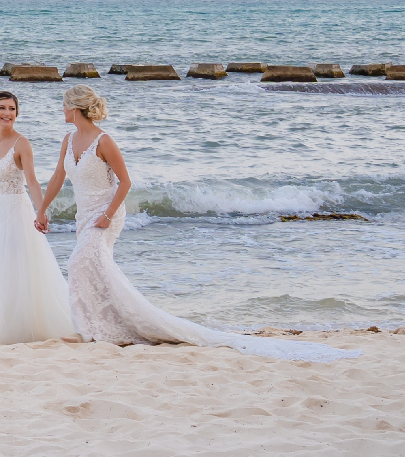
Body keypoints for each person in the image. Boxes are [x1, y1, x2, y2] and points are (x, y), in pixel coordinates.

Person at [35, 85, 360, 362]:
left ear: (76, 108)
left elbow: (125, 182)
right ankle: (99, 327)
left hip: (107, 212)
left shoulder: (103, 141)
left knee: (81, 264)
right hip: (83, 214)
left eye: (64, 104)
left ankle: (96, 328)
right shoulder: (68, 140)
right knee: (92, 269)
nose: (61, 109)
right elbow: (58, 178)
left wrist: (107, 214)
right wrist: (42, 210)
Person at [0, 91, 77, 344]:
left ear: (16, 113)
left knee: (16, 269)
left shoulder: (22, 144)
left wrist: (42, 210)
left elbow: (32, 181)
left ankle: (21, 327)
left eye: (12, 109)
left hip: (15, 212)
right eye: (2, 108)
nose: (7, 113)